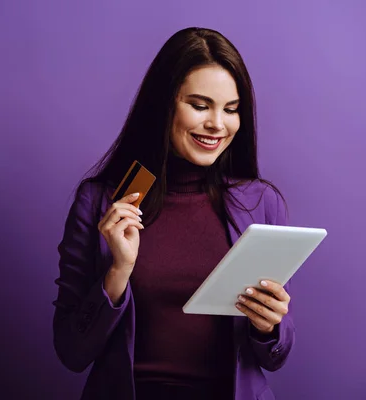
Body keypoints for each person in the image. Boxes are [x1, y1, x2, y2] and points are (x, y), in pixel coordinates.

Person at [52, 27, 295, 400]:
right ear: (163, 105)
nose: (218, 123)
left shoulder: (261, 203)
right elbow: (72, 351)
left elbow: (275, 356)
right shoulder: (99, 202)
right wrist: (118, 272)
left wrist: (268, 327)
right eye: (200, 105)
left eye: (231, 109)